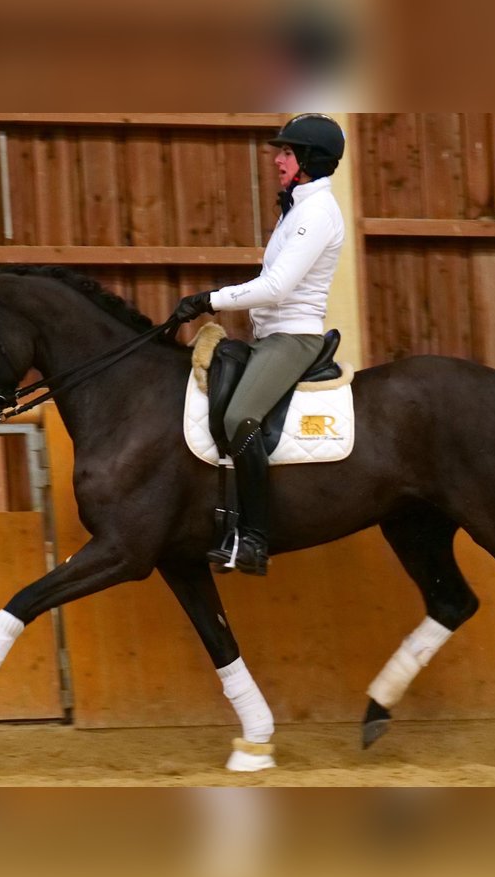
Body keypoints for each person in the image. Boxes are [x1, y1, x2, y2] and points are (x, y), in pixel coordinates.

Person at [171, 113, 346, 576]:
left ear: (311, 159)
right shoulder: (296, 208)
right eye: (280, 151)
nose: (277, 159)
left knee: (237, 417)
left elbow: (276, 288)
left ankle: (255, 539)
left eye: (287, 152)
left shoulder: (317, 213)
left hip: (294, 337)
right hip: (267, 336)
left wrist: (209, 299)